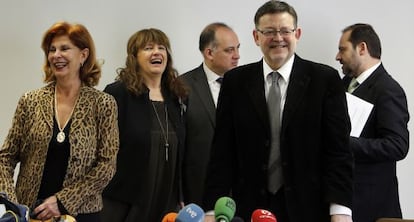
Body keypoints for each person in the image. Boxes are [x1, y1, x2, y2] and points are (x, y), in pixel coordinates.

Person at [202, 1, 354, 222]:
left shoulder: (324, 80)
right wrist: (211, 209)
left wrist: (340, 210)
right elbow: (222, 152)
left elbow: (339, 152)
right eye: (269, 32)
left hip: (309, 208)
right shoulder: (235, 82)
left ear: (297, 34)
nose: (278, 38)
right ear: (256, 37)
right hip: (249, 208)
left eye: (285, 31)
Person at [0, 21, 119, 222]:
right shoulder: (31, 101)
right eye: (52, 49)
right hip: (30, 214)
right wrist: (12, 205)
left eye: (64, 48)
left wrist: (63, 201)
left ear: (83, 55)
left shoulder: (103, 103)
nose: (56, 55)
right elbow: (6, 157)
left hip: (82, 214)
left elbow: (107, 165)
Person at [101, 28, 188, 222]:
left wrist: (181, 195)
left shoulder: (177, 97)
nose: (157, 52)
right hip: (123, 201)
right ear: (134, 57)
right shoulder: (118, 94)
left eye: (161, 48)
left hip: (166, 200)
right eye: (148, 48)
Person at [336, 23, 409, 222]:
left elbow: (397, 146)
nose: (337, 57)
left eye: (342, 49)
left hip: (370, 208)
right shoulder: (340, 85)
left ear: (362, 48)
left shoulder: (388, 89)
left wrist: (343, 142)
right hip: (340, 202)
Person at [180, 22, 240, 205]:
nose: (237, 56)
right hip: (198, 193)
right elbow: (178, 148)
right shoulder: (182, 87)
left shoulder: (246, 85)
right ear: (209, 53)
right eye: (230, 50)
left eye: (238, 48)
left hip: (239, 193)